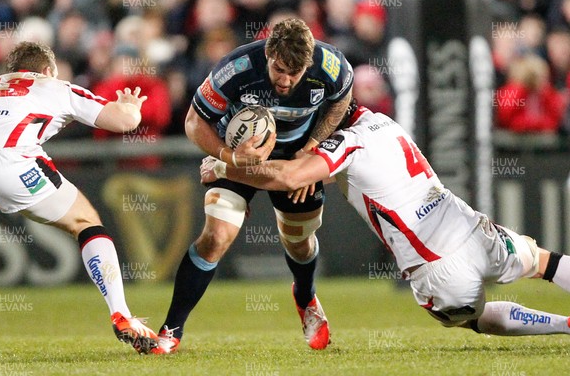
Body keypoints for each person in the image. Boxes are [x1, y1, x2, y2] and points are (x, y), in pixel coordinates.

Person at [201, 99, 570, 337]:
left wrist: (226, 167)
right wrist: (308, 171)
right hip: (468, 226)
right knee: (542, 261)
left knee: (472, 317)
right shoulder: (384, 122)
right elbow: (347, 172)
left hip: (434, 264)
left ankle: (564, 326)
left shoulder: (344, 142)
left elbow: (288, 178)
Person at [153, 18, 353, 354]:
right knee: (215, 237)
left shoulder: (331, 66)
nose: (286, 80)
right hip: (238, 157)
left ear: (309, 62)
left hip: (294, 159)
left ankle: (305, 298)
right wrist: (226, 154)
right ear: (268, 52)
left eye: (295, 72)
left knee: (299, 244)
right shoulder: (236, 69)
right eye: (279, 69)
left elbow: (341, 101)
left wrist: (312, 149)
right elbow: (193, 121)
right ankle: (171, 330)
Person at [0, 41, 158, 354]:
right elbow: (122, 122)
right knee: (85, 222)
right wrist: (131, 107)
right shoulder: (55, 86)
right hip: (14, 161)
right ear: (47, 70)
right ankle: (122, 315)